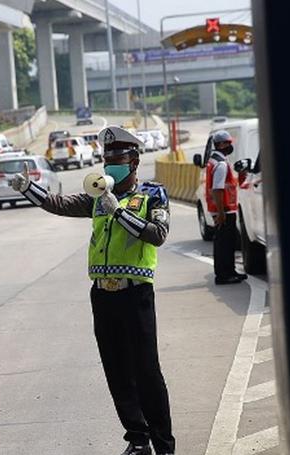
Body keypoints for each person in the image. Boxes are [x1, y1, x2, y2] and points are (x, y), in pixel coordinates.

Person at [11, 126, 175, 455]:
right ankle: (138, 438)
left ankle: (163, 445)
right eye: (107, 159)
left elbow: (157, 234)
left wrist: (119, 211)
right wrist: (28, 187)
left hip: (135, 295)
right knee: (116, 370)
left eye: (118, 158)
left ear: (133, 162)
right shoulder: (98, 198)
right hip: (102, 295)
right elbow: (59, 203)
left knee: (146, 371)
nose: (111, 164)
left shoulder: (152, 195)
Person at [205, 130, 248, 285]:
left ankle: (230, 271)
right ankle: (224, 275)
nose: (231, 146)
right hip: (224, 210)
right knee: (224, 244)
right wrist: (221, 212)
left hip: (222, 208)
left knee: (226, 242)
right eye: (228, 143)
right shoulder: (221, 164)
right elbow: (217, 189)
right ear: (221, 144)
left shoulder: (215, 160)